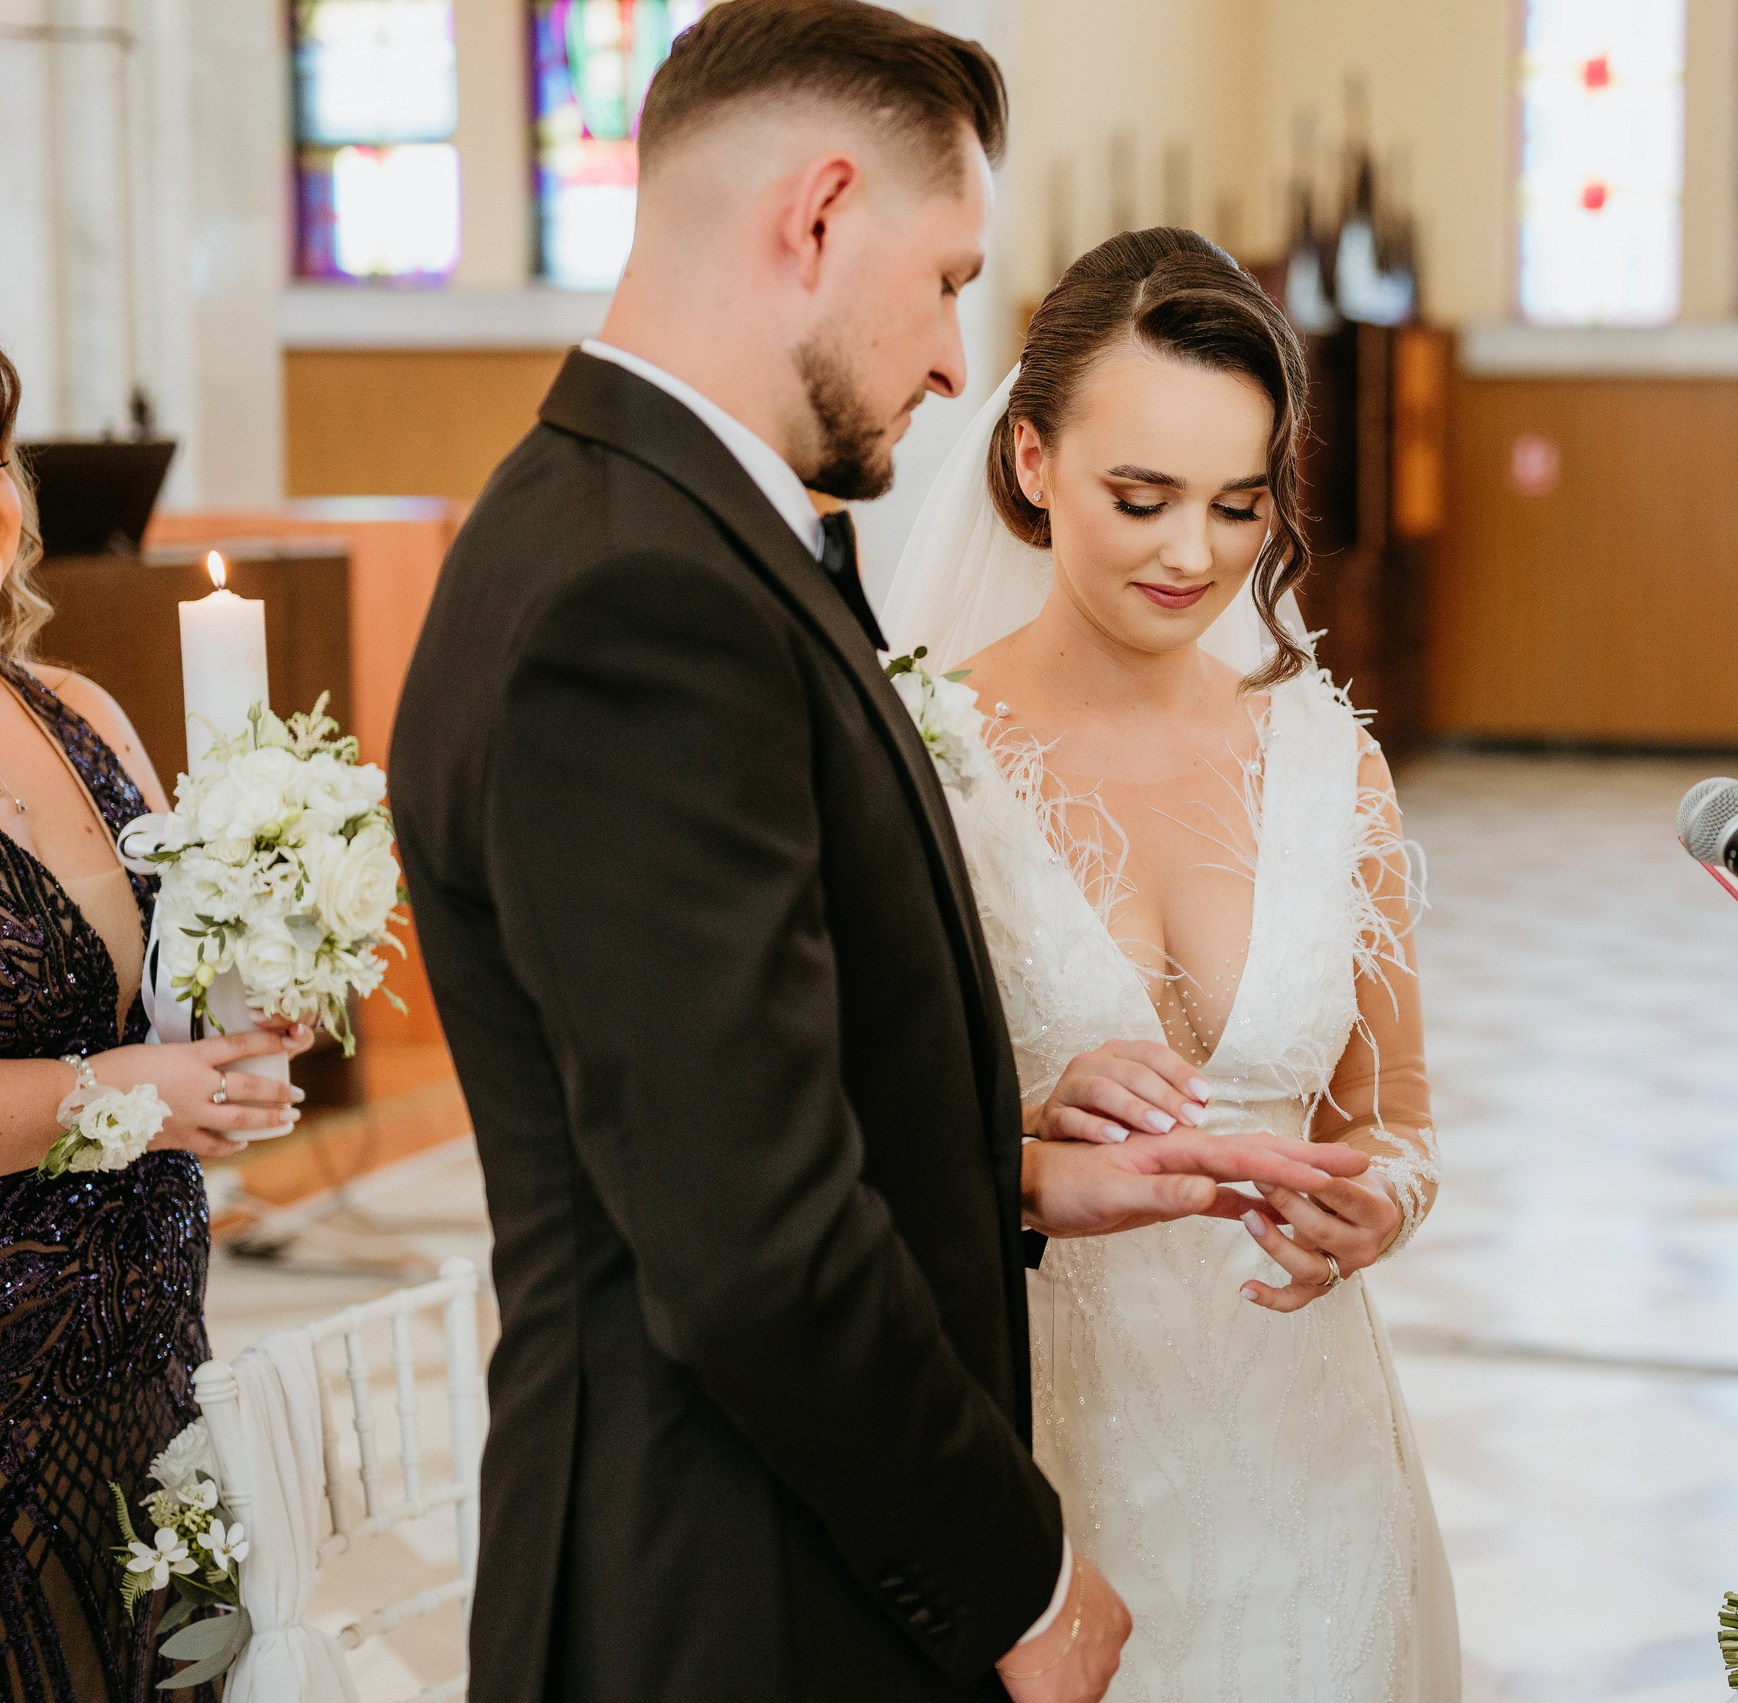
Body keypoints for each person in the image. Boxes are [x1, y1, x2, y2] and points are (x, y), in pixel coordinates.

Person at [388, 7, 1369, 1702]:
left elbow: (736, 1102)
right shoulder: (646, 601)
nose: (947, 354)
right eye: (943, 279)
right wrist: (1024, 1579)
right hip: (731, 1592)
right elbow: (755, 1249)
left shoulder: (651, 528)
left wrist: (1016, 1167)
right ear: (818, 215)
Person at [880, 225, 1460, 1701]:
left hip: (1310, 1464)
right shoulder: (919, 759)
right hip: (1047, 1471)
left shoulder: (1331, 762)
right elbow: (830, 1147)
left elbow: (1392, 1122)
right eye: (1139, 499)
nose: (1191, 554)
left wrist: (1373, 1210)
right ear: (1029, 464)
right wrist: (1014, 1152)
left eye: (1237, 504)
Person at [0, 345, 312, 1701]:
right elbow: (115, 1066)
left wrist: (237, 1035)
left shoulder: (80, 713)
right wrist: (123, 1092)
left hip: (152, 1356)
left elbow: (165, 997)